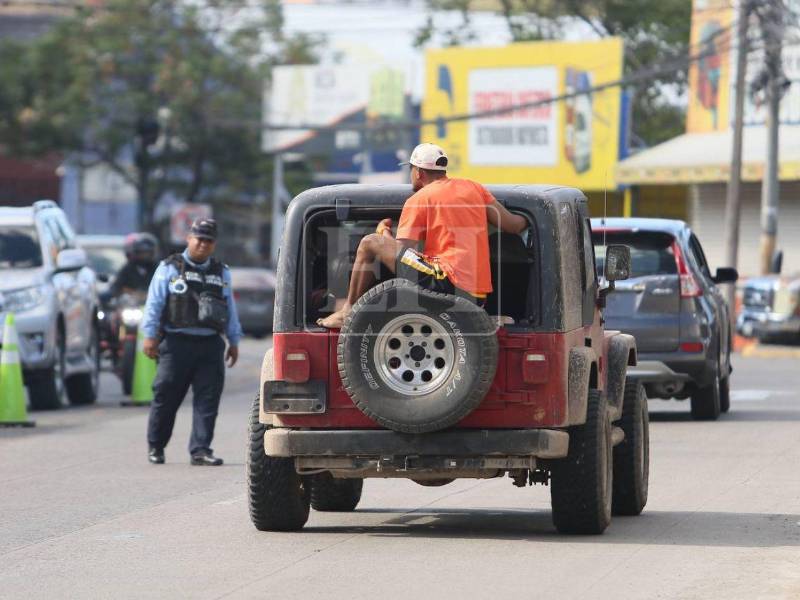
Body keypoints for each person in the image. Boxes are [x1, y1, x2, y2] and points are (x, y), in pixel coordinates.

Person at [317, 143, 528, 329]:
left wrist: (382, 232)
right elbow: (513, 225)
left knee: (370, 243)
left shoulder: (420, 199)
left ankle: (347, 311)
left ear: (418, 172)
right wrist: (536, 214)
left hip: (446, 282)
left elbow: (403, 252)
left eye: (411, 170)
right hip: (476, 297)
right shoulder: (474, 188)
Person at [140, 218, 243, 466]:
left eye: (209, 240)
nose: (203, 245)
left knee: (208, 400)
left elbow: (229, 307)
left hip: (210, 344)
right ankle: (156, 445)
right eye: (199, 239)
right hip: (176, 343)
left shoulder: (221, 271)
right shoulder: (170, 267)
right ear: (189, 238)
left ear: (214, 244)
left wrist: (234, 339)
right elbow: (154, 303)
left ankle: (200, 449)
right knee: (166, 397)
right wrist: (150, 335)